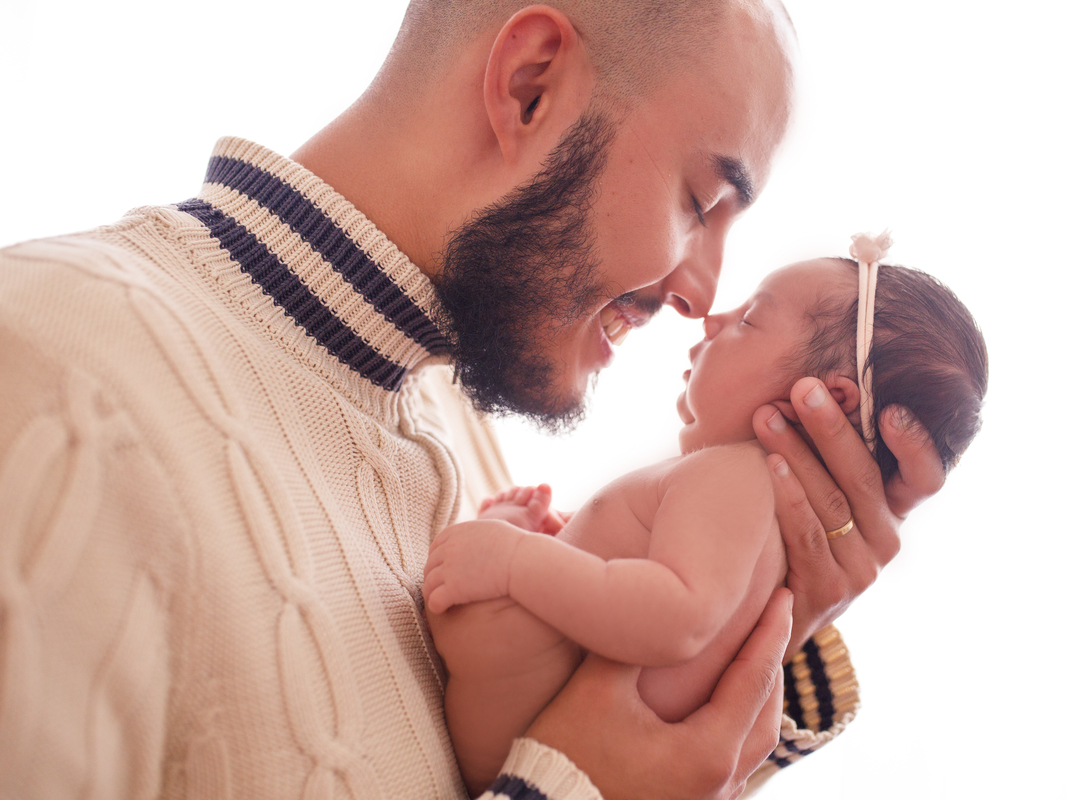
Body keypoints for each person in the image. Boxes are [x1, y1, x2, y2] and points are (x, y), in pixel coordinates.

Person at [0, 3, 946, 799]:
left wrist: (765, 638)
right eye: (700, 202)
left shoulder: (460, 443)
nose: (702, 292)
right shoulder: (48, 370)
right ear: (530, 85)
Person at [424, 239, 989, 793]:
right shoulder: (761, 520)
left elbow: (680, 616)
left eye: (749, 319)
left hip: (542, 738)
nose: (713, 319)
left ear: (827, 399)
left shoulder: (737, 476)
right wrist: (563, 544)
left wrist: (517, 561)